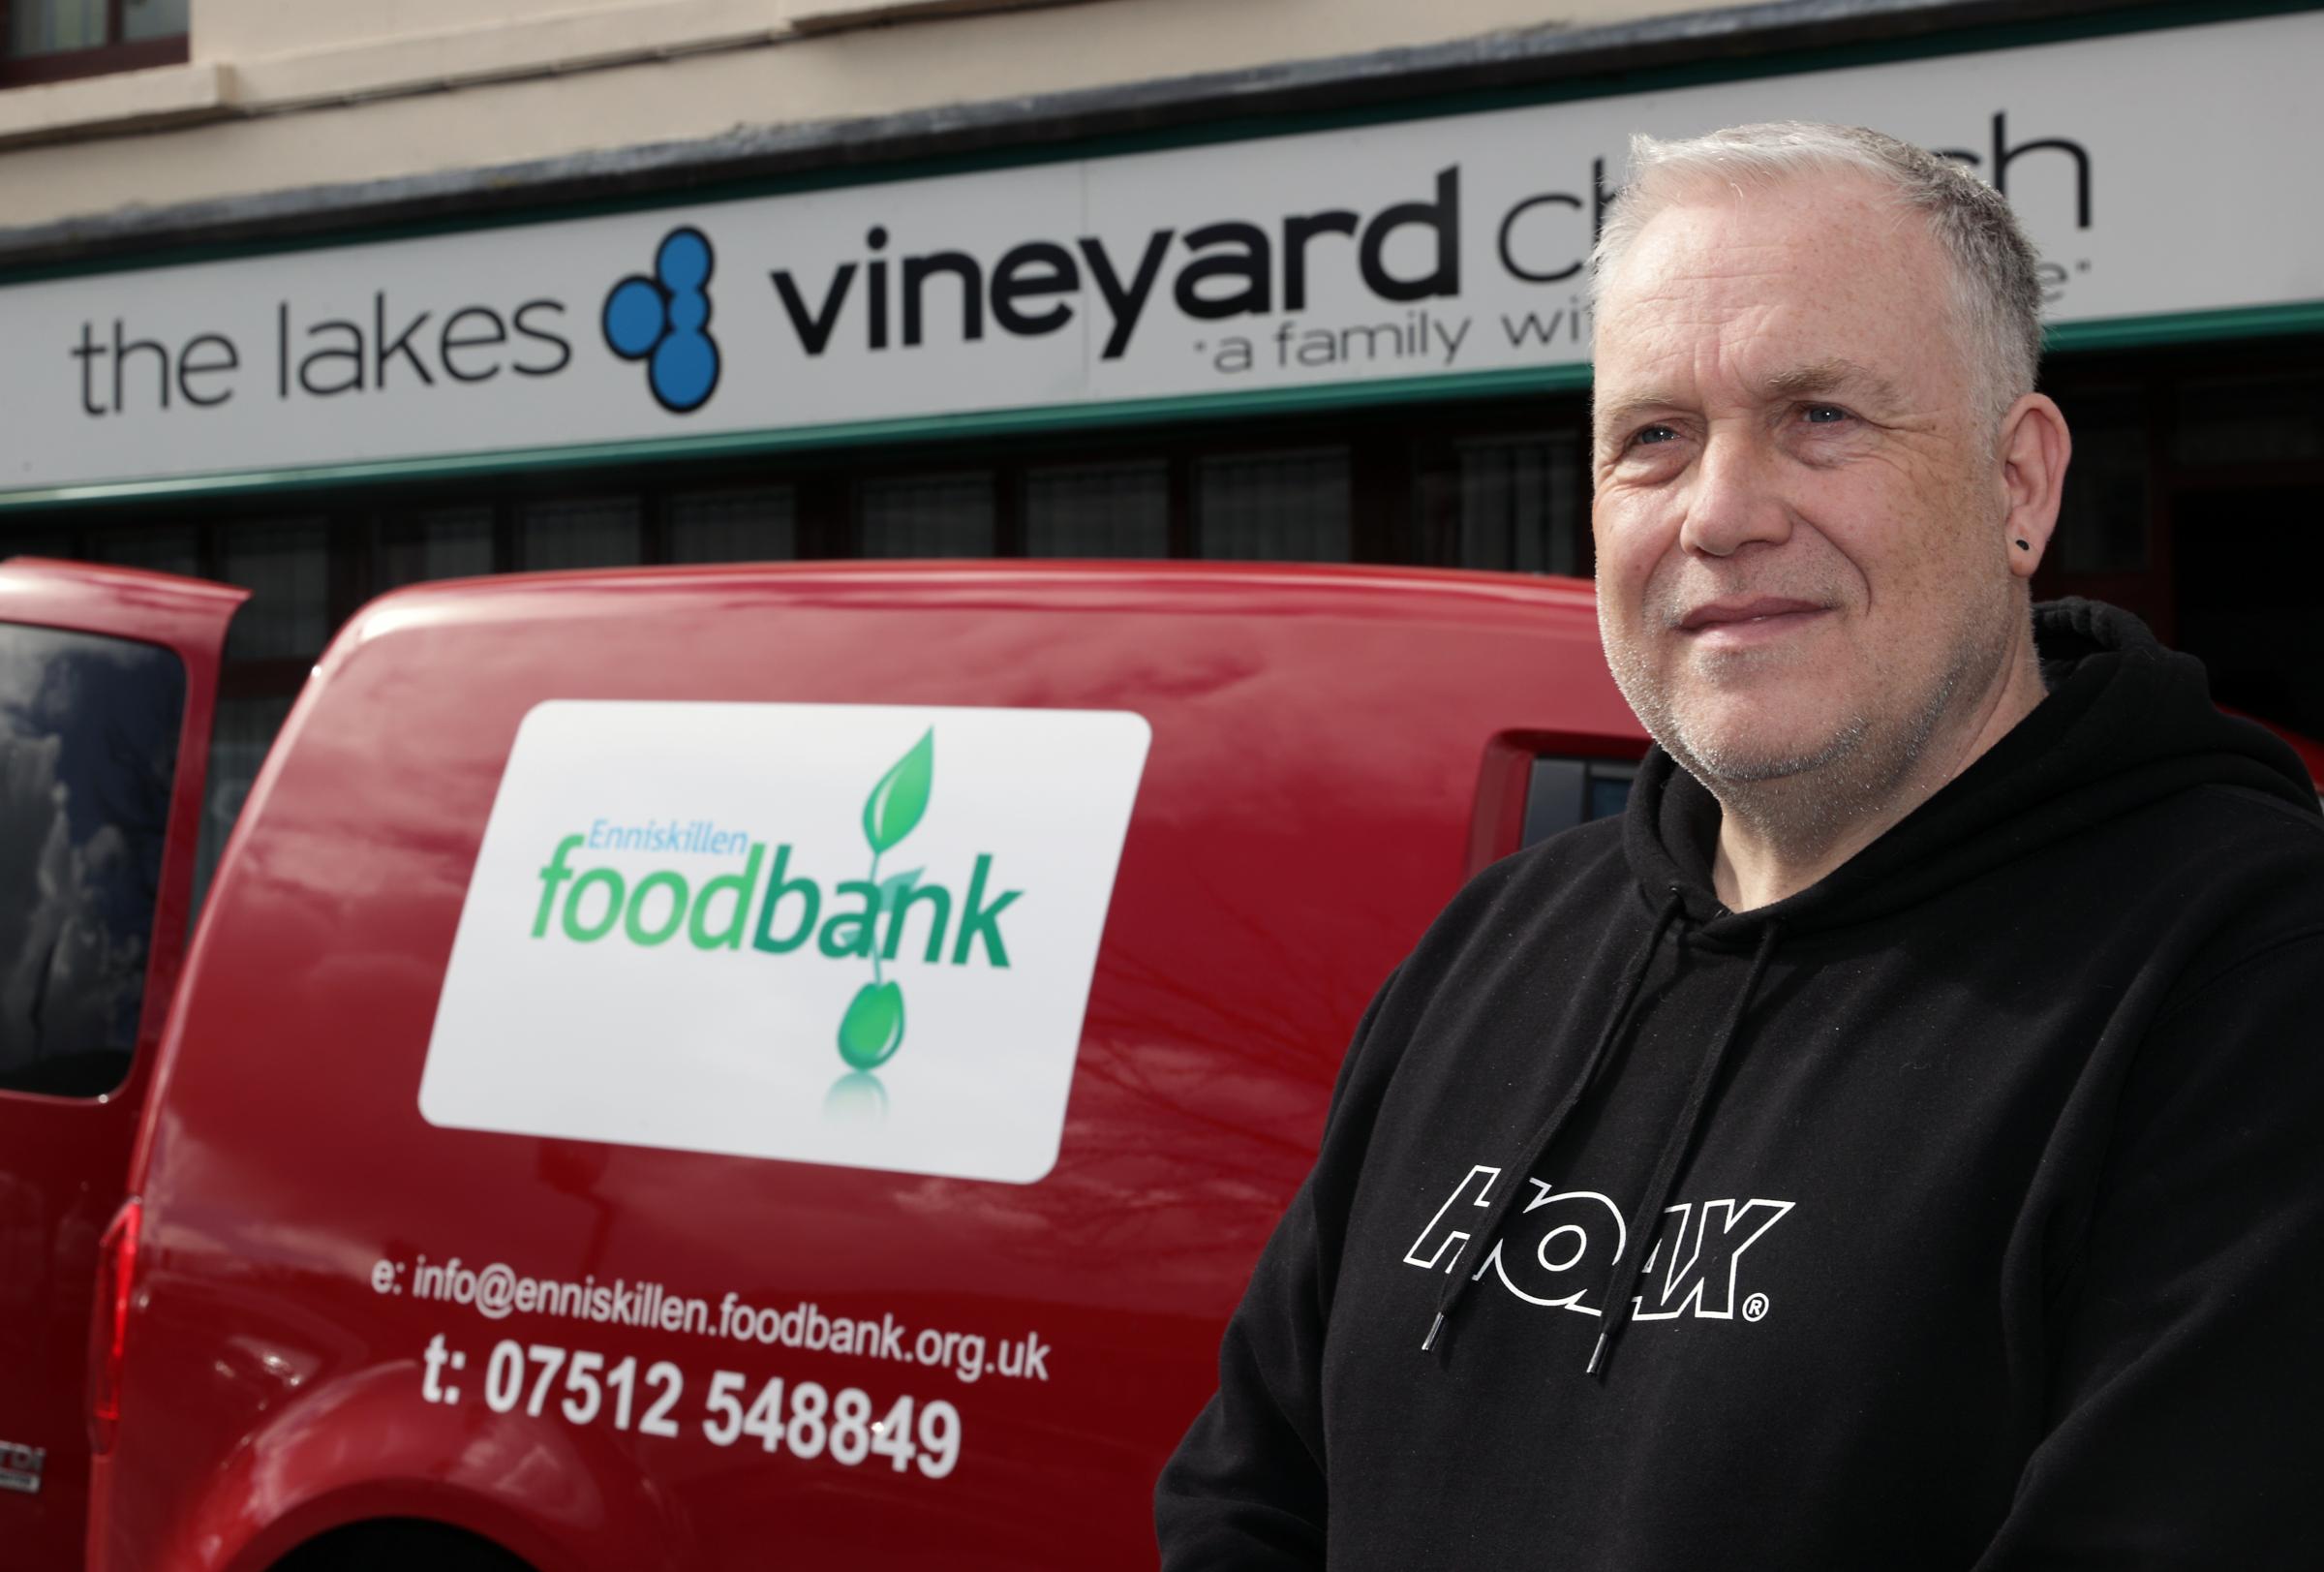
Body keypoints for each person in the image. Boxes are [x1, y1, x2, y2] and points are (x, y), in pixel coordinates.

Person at [1155, 122, 2324, 1569]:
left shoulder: (2253, 982)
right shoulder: (1493, 946)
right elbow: (1245, 1497)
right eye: (1654, 437)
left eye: (1821, 415)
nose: (1720, 513)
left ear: (2019, 484)